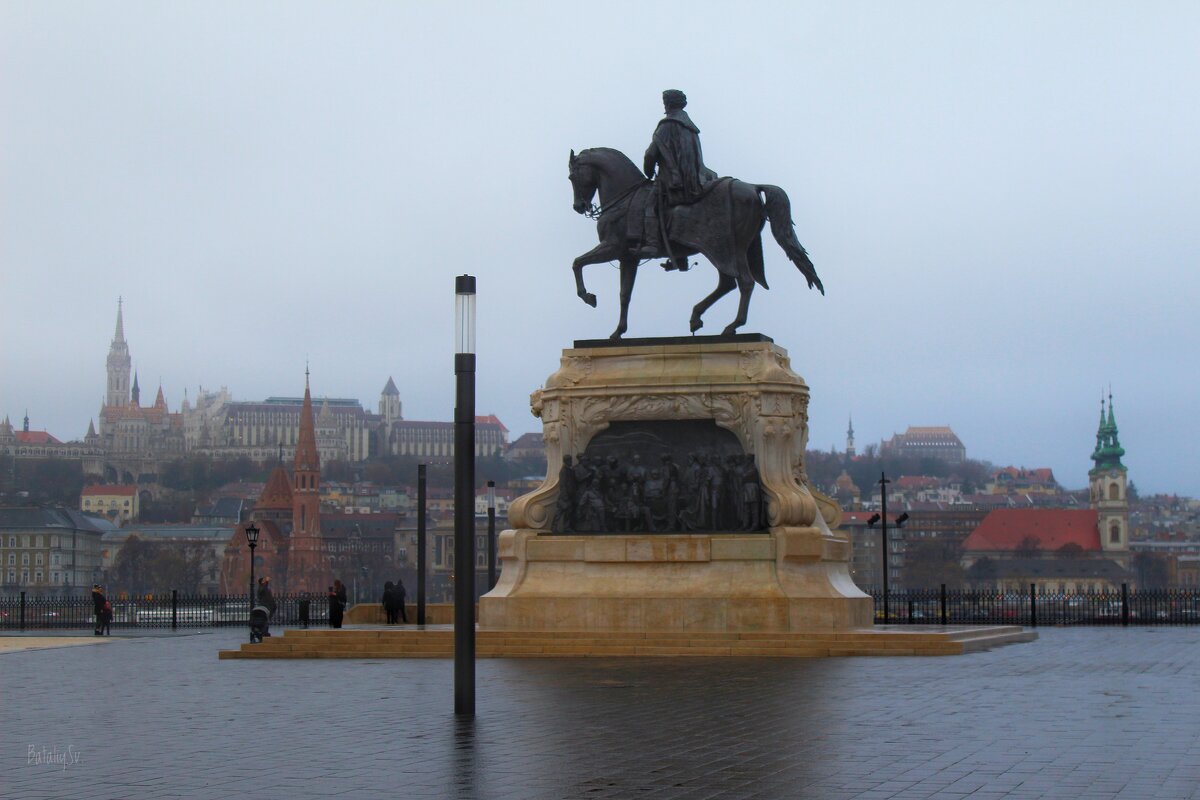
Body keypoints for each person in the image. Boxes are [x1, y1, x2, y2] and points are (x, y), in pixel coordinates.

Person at [643, 89, 718, 271]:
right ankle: (680, 256)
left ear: (668, 104)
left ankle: (652, 244)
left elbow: (651, 153)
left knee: (649, 204)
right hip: (695, 178)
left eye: (664, 102)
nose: (664, 105)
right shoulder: (691, 128)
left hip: (675, 180)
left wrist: (648, 171)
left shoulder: (667, 125)